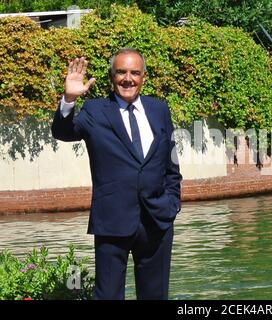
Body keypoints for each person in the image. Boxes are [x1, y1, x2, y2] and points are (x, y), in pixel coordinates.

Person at [52, 48, 182, 300]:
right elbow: (63, 132)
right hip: (112, 220)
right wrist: (68, 99)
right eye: (121, 72)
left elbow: (171, 164)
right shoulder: (95, 110)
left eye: (135, 73)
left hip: (157, 220)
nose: (128, 78)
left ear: (144, 76)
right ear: (112, 76)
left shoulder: (159, 109)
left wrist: (171, 202)